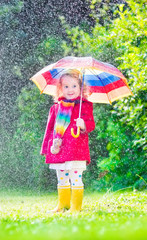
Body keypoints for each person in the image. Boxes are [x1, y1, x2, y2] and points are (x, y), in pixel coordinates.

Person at [40, 69, 95, 212]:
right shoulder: (55, 108)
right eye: (66, 86)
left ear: (81, 88)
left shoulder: (85, 106)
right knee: (62, 177)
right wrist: (46, 148)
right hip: (59, 148)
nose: (70, 90)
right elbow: (50, 129)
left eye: (74, 86)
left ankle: (76, 207)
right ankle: (62, 205)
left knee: (75, 177)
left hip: (76, 149)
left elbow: (91, 124)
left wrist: (83, 124)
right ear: (60, 89)